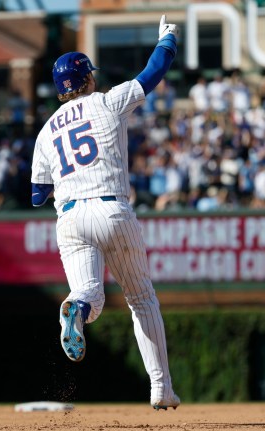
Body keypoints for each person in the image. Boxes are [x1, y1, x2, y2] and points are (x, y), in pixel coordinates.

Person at [30, 15, 181, 411]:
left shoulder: (46, 131)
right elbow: (154, 71)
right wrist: (167, 37)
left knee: (88, 293)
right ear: (87, 79)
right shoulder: (106, 101)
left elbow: (36, 193)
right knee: (141, 298)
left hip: (70, 218)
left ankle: (77, 309)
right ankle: (161, 388)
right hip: (112, 208)